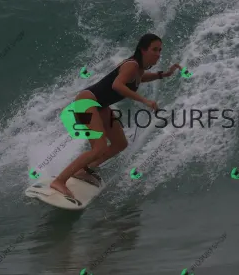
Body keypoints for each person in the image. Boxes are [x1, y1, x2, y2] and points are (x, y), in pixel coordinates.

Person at [50, 33, 181, 203]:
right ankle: (59, 181)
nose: (158, 54)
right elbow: (117, 85)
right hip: (86, 102)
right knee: (98, 148)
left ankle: (84, 170)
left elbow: (139, 78)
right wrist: (145, 100)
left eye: (160, 50)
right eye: (154, 49)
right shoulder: (132, 65)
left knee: (120, 143)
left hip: (100, 106)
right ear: (143, 50)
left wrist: (164, 74)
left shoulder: (138, 68)